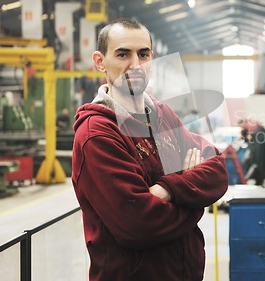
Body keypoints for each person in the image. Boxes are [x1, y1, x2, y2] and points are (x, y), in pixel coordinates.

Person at [71, 18, 228, 281]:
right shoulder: (97, 134)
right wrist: (194, 202)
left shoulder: (162, 115)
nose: (135, 65)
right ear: (100, 61)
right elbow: (138, 225)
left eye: (143, 55)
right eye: (123, 54)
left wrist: (168, 189)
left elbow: (218, 169)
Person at [239, 119, 265, 186]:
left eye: (245, 127)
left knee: (260, 169)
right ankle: (259, 181)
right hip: (256, 161)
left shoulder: (260, 132)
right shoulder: (255, 133)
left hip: (259, 161)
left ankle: (260, 182)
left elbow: (259, 153)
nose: (247, 129)